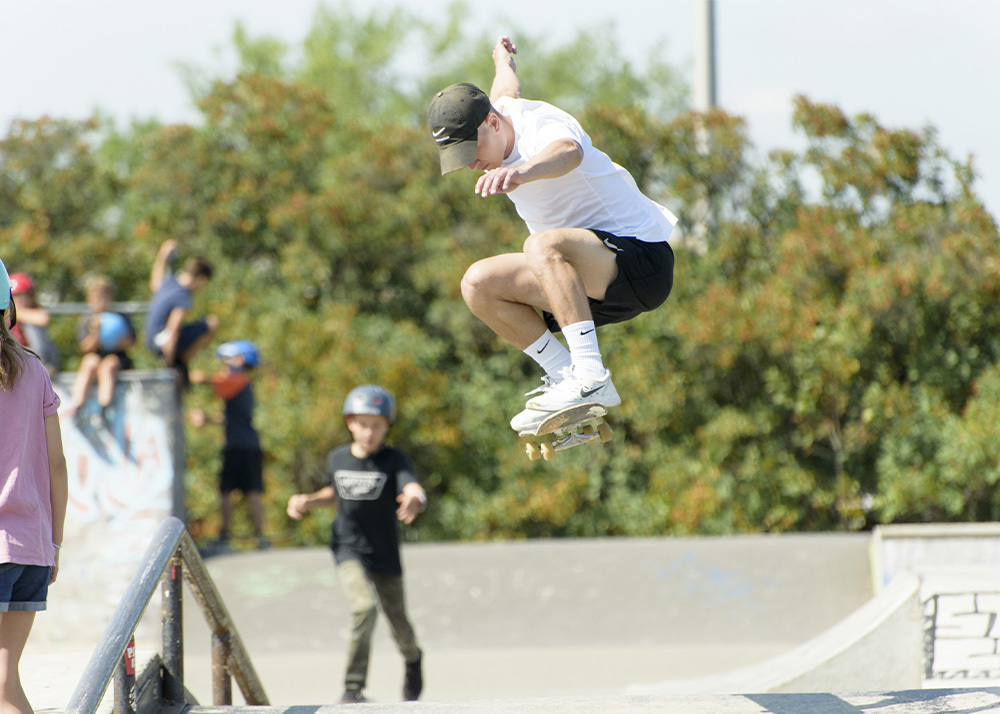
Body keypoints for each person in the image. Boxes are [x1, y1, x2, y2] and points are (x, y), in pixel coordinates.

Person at [426, 36, 677, 433]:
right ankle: (565, 378)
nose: (471, 163)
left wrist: (523, 172)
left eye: (470, 150)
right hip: (584, 289)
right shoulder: (499, 111)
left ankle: (590, 376)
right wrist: (502, 60)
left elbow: (568, 151)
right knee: (477, 284)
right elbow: (506, 90)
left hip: (640, 262)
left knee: (541, 244)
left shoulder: (541, 125)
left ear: (492, 123)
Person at [286, 385, 426, 704]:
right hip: (347, 547)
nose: (369, 432)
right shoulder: (337, 458)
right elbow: (333, 493)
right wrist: (307, 501)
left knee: (399, 625)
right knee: (364, 607)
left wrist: (416, 499)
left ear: (387, 426)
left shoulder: (393, 459)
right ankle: (352, 688)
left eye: (377, 425)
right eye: (363, 424)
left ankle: (413, 659)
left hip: (385, 551)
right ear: (350, 422)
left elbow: (412, 486)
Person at [0, 258, 69, 714]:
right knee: (5, 683)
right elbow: (57, 465)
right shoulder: (34, 369)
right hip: (29, 547)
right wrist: (54, 544)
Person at [188, 341, 268, 551]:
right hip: (246, 444)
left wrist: (197, 377)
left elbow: (215, 382)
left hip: (239, 446)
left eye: (226, 363)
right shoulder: (243, 385)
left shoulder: (239, 381)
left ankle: (234, 536)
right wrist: (207, 420)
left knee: (238, 491)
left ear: (238, 361)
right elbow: (230, 418)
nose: (223, 368)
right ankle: (256, 536)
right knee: (248, 490)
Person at [145, 239, 218, 388]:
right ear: (201, 279)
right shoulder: (182, 296)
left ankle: (177, 359)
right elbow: (174, 328)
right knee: (212, 323)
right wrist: (170, 364)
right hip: (164, 344)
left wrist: (163, 255)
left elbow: (154, 282)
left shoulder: (169, 282)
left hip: (150, 339)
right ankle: (183, 360)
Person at [62, 275, 136, 422]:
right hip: (96, 355)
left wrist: (117, 340)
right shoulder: (87, 319)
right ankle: (77, 406)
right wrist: (96, 332)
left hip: (117, 357)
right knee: (90, 362)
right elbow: (85, 348)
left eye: (103, 296)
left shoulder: (121, 317)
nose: (100, 301)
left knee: (108, 365)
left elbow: (131, 343)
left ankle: (103, 408)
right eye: (96, 297)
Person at [8, 272, 59, 377]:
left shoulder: (33, 309)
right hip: (13, 355)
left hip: (32, 355)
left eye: (26, 295)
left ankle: (43, 364)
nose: (22, 300)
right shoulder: (6, 312)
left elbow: (43, 319)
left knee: (32, 326)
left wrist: (18, 312)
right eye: (17, 296)